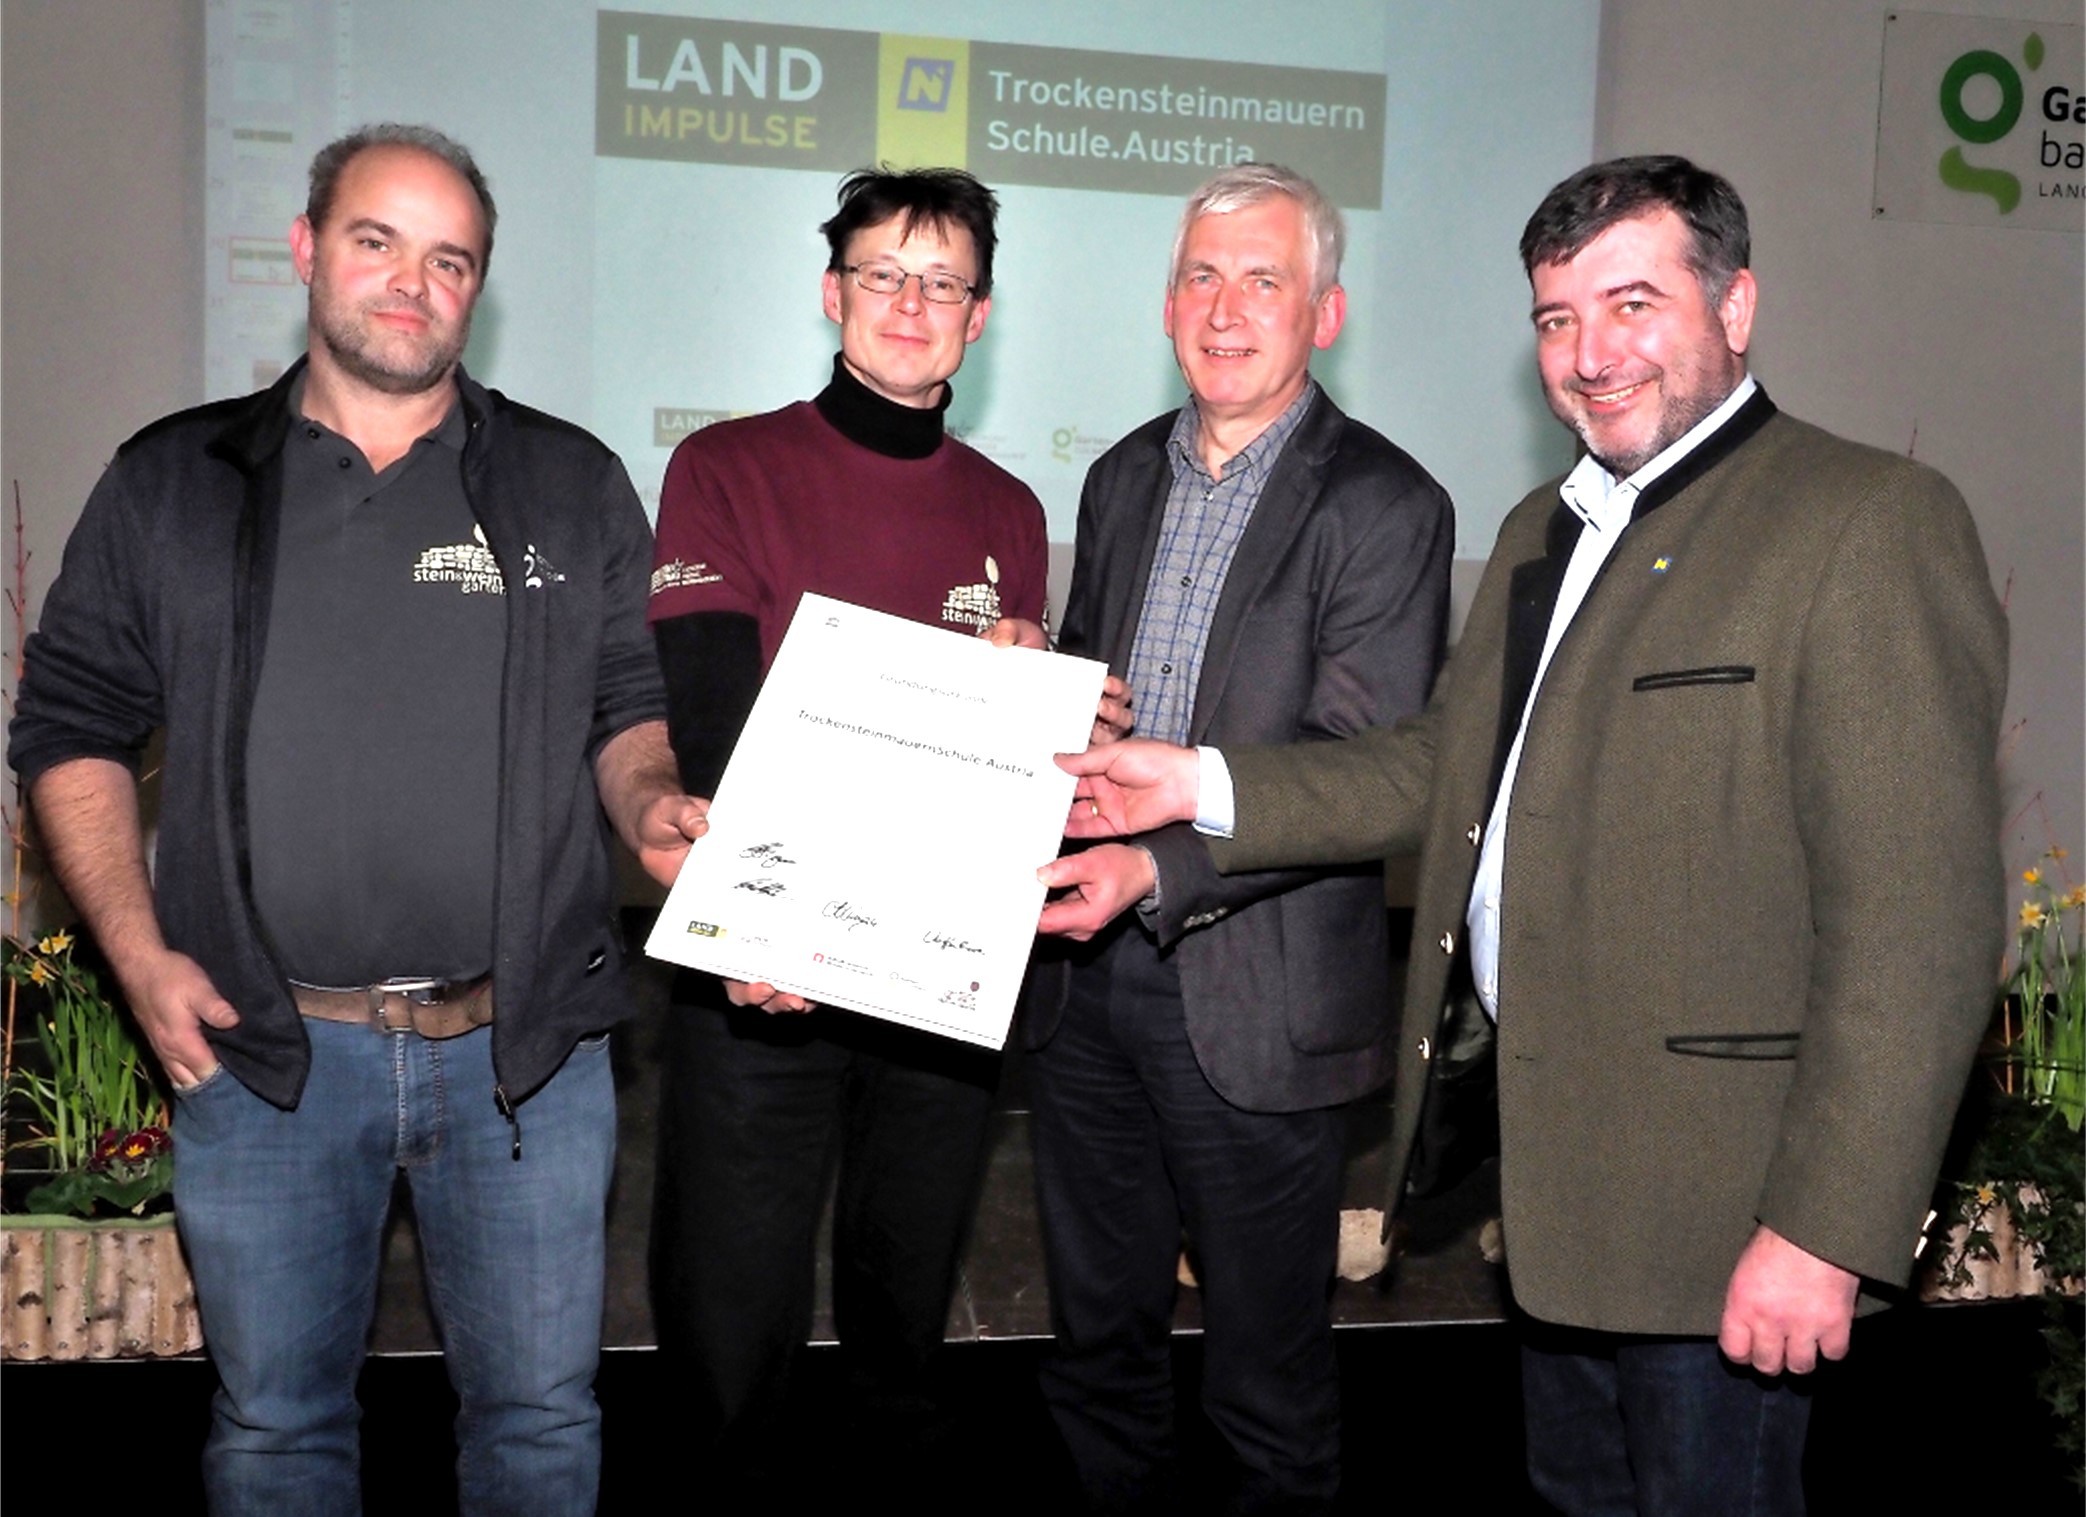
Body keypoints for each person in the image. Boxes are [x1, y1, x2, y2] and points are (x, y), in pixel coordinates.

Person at [1044, 155, 2005, 1513]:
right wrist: (1190, 783)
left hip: (1722, 1217)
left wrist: (1821, 1227)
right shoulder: (1541, 531)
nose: (1590, 353)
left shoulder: (1860, 521)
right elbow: (1440, 765)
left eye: (1631, 304)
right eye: (1557, 319)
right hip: (1556, 1198)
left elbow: (1919, 924)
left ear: (1735, 306)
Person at [7, 124, 704, 1515]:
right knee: (277, 1435)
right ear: (308, 249)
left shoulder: (569, 481)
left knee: (541, 1429)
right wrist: (138, 960)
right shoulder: (173, 482)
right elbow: (69, 724)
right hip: (266, 1064)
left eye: (450, 258)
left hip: (526, 1060)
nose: (411, 282)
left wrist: (655, 803)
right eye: (378, 241)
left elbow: (622, 706)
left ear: (479, 286)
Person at [1026, 162, 1452, 1512]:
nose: (1226, 308)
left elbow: (1359, 770)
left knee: (1264, 1392)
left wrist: (1159, 863)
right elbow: (1102, 713)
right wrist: (1035, 694)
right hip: (1084, 987)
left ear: (1322, 311)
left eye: (1262, 278)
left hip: (1258, 1000)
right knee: (1097, 1353)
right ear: (1166, 305)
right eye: (1201, 277)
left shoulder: (1387, 505)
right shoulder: (1112, 480)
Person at [644, 166, 1059, 1494]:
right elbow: (706, 719)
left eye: (941, 282)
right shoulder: (725, 465)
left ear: (978, 318)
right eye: (882, 273)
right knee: (729, 1327)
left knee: (904, 1344)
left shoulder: (1011, 509)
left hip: (932, 974)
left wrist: (1031, 687)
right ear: (833, 294)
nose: (909, 304)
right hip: (760, 970)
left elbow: (1006, 759)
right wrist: (759, 922)